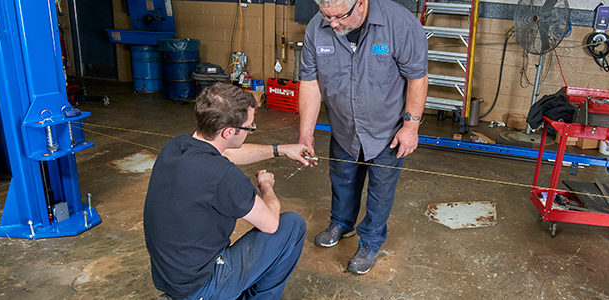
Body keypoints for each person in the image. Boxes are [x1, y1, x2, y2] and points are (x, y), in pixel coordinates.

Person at [144, 83, 313, 300]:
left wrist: (280, 150)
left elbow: (228, 155)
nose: (251, 131)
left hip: (170, 277)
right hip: (202, 286)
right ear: (229, 131)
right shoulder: (224, 176)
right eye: (250, 127)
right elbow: (270, 223)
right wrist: (267, 185)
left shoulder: (176, 146)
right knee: (291, 225)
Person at [298, 0, 428, 275]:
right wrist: (305, 134)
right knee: (342, 178)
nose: (332, 24)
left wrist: (411, 127)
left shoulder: (400, 24)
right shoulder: (316, 27)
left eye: (339, 17)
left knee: (380, 191)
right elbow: (310, 81)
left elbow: (417, 77)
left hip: (386, 131)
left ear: (361, 3)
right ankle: (342, 222)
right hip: (343, 127)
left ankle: (370, 241)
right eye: (326, 16)